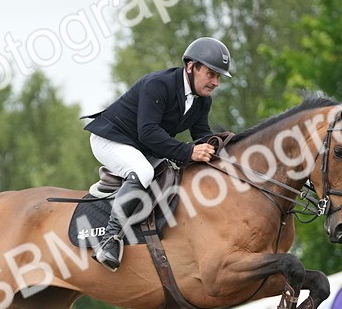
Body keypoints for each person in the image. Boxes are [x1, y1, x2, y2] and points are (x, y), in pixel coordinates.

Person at [83, 37, 232, 270]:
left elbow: (201, 135)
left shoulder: (202, 101)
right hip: (110, 138)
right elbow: (149, 132)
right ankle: (109, 240)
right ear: (191, 66)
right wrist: (189, 151)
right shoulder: (159, 84)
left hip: (141, 146)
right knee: (142, 171)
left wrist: (225, 150)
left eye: (218, 76)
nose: (216, 82)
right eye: (211, 74)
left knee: (177, 174)